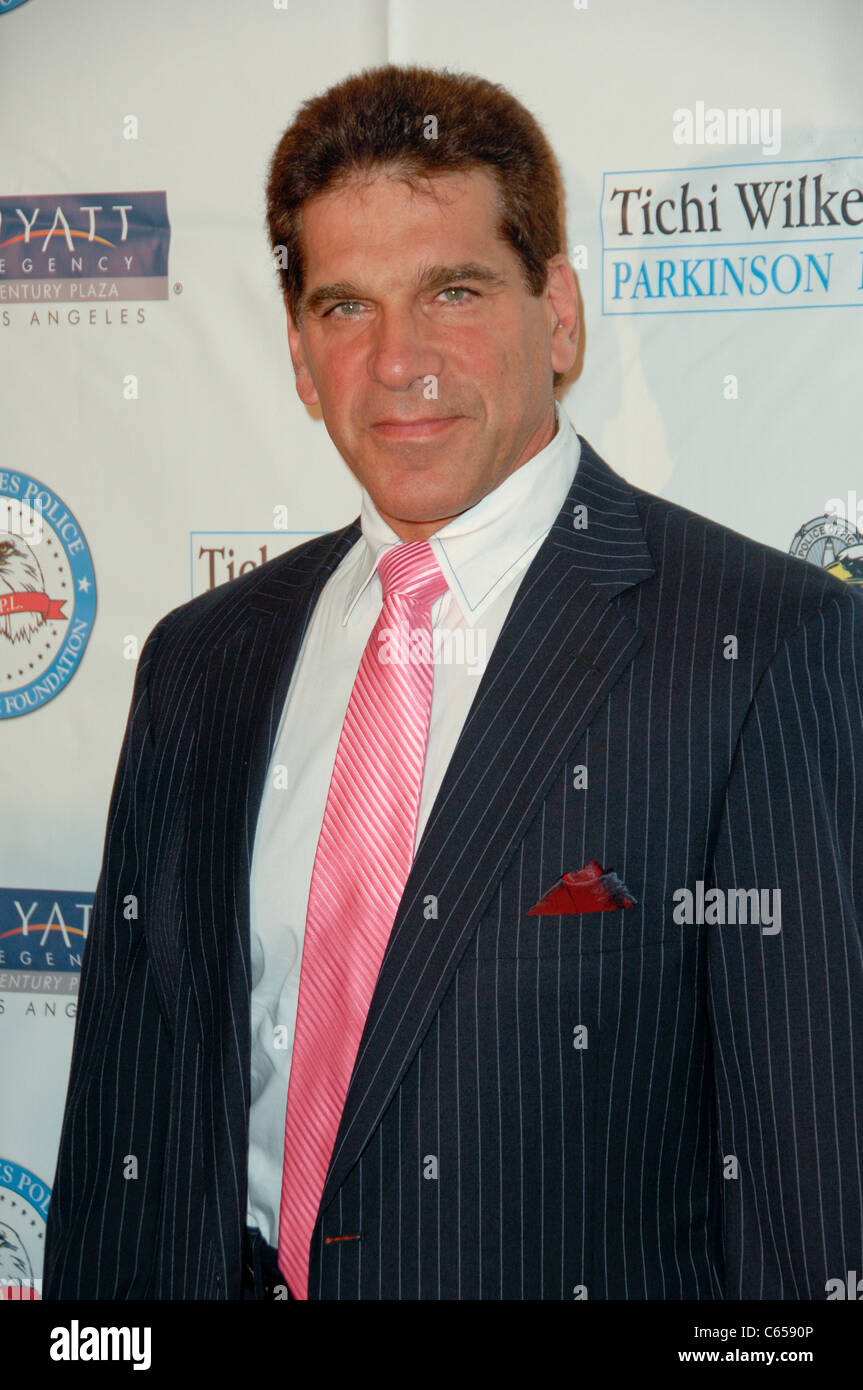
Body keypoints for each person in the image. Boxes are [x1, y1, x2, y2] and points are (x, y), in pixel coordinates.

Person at [43, 63, 862, 1302]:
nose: (397, 362)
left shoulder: (762, 646)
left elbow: (805, 1202)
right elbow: (127, 1121)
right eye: (345, 309)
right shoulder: (199, 659)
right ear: (301, 358)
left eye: (453, 291)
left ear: (561, 315)